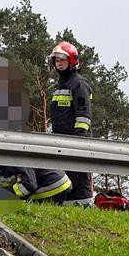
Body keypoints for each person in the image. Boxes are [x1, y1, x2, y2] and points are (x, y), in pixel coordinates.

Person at [48, 41, 94, 206]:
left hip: (76, 141)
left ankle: (85, 207)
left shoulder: (78, 84)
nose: (59, 63)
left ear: (72, 61)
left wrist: (78, 140)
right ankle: (69, 207)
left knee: (79, 178)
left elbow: (84, 115)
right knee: (66, 178)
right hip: (61, 141)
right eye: (57, 60)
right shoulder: (61, 85)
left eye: (63, 60)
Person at [0, 166, 72, 203]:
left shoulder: (15, 162)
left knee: (25, 202)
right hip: (57, 182)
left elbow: (28, 186)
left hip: (54, 184)